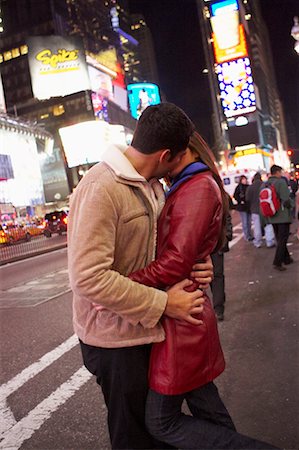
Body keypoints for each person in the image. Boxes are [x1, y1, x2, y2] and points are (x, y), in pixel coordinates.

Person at [68, 103, 213, 450]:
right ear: (166, 155)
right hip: (114, 342)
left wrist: (198, 264)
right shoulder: (101, 187)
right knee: (134, 438)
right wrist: (164, 303)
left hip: (148, 332)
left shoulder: (153, 185)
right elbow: (88, 277)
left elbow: (159, 250)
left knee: (160, 431)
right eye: (178, 159)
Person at [129, 132, 277, 449]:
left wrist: (123, 284)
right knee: (209, 412)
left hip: (182, 316)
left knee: (160, 421)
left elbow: (175, 260)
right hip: (185, 310)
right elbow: (186, 253)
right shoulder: (189, 184)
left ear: (175, 151)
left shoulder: (195, 187)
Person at [266, 164, 294, 271]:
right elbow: (286, 199)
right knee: (283, 239)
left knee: (280, 238)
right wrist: (291, 206)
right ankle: (277, 262)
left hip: (272, 216)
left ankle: (287, 258)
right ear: (277, 172)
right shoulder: (281, 182)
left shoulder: (266, 184)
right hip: (282, 216)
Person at [211, 191, 233, 321]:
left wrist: (226, 236)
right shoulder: (220, 192)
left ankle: (218, 306)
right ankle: (218, 303)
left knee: (216, 276)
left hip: (215, 243)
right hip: (207, 245)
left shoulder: (219, 194)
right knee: (214, 276)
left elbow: (226, 217)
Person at [246, 172, 275, 248]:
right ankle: (270, 241)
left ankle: (257, 242)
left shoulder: (250, 187)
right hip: (264, 208)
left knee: (257, 227)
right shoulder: (264, 185)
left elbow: (247, 199)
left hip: (254, 210)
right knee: (268, 225)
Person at [233, 175, 253, 241]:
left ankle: (249, 235)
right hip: (242, 207)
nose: (244, 180)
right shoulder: (239, 187)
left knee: (249, 222)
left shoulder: (248, 186)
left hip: (248, 207)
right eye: (243, 179)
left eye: (245, 179)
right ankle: (246, 236)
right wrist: (240, 200)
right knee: (245, 222)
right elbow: (235, 196)